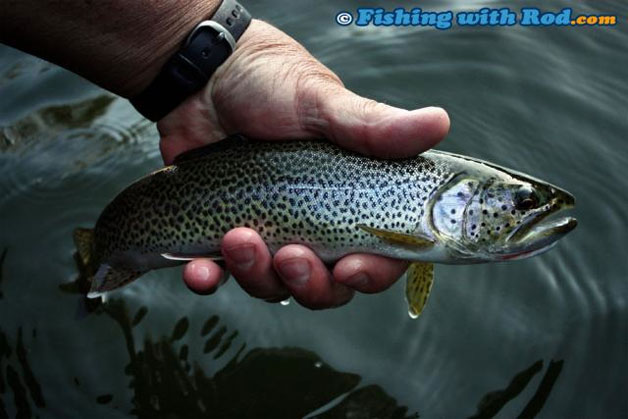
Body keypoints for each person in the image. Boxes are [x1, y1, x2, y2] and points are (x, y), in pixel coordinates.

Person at [0, 0, 449, 309]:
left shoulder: (427, 236)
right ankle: (96, 269)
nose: (521, 213)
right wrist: (210, 66)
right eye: (521, 205)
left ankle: (94, 274)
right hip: (128, 227)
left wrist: (204, 66)